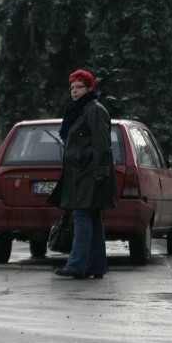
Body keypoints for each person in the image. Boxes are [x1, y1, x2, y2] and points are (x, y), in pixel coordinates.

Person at [49, 69, 117, 279]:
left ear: (90, 88)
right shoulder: (78, 111)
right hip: (80, 174)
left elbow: (101, 144)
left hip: (90, 174)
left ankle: (76, 265)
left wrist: (100, 172)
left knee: (82, 216)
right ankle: (96, 266)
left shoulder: (94, 110)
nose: (74, 92)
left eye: (79, 87)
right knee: (92, 218)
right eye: (72, 88)